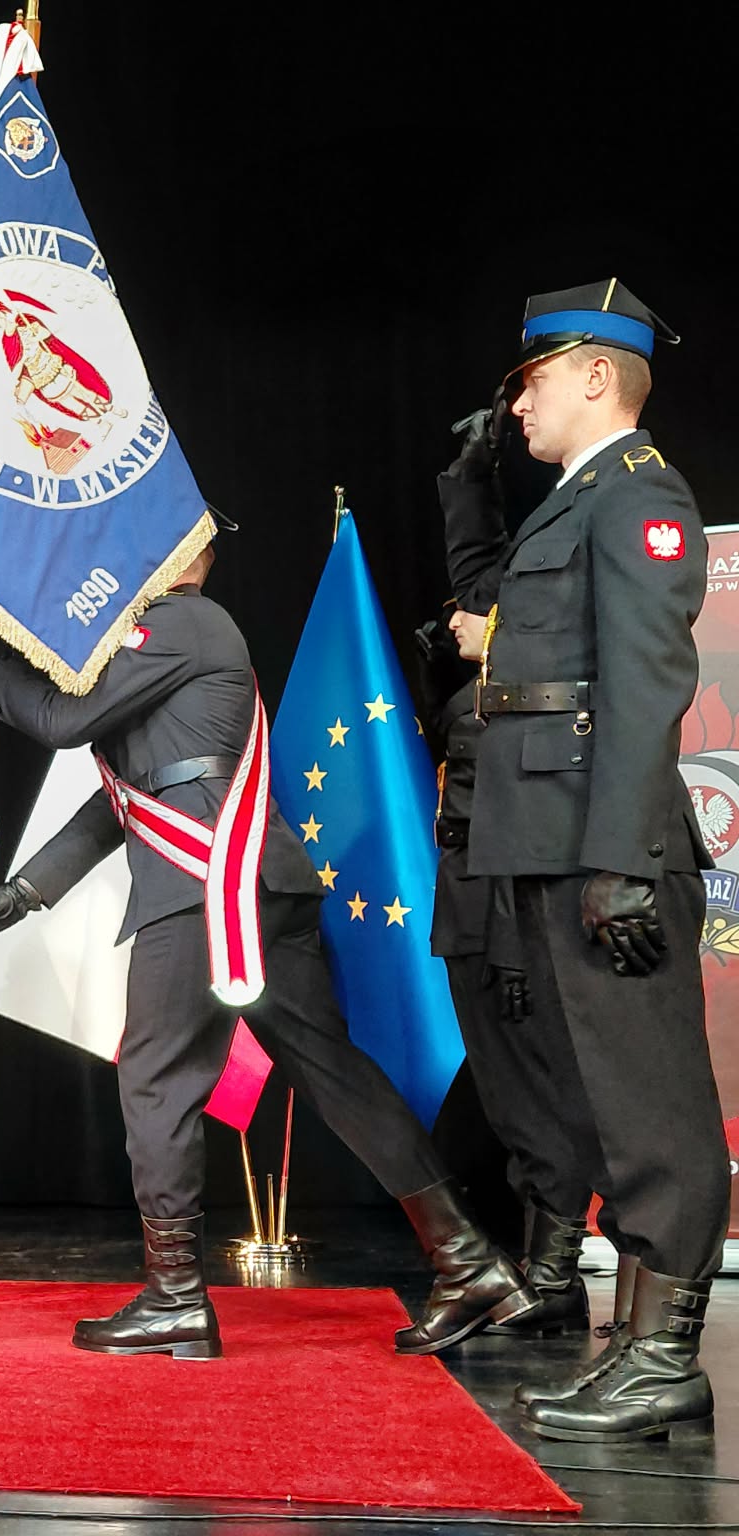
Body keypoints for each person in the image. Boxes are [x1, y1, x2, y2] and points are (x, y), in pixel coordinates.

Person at [0, 537, 536, 1360]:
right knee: (333, 1073)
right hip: (251, 884)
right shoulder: (167, 648)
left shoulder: (179, 623)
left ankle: (175, 1298)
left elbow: (64, 718)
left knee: (157, 1080)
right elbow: (120, 801)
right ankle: (469, 1263)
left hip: (207, 885)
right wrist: (25, 891)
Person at [462, 281, 722, 1442]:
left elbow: (642, 682)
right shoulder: (569, 502)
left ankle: (664, 1358)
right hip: (548, 838)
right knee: (593, 1099)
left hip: (599, 843)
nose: (515, 404)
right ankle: (635, 1348)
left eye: (528, 381)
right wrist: (462, 487)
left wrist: (619, 857)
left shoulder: (637, 496)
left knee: (647, 1102)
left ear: (594, 375)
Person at [431, 406, 601, 1341]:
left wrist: (490, 644)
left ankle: (555, 1271)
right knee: (505, 1094)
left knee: (544, 1091)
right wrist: (471, 478)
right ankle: (547, 1270)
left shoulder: (544, 656)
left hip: (518, 899)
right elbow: (477, 577)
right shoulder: (496, 629)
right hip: (468, 893)